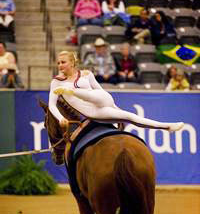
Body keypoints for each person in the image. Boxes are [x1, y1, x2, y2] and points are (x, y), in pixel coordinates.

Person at [48, 51, 184, 148]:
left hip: (103, 100)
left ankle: (73, 91)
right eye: (58, 63)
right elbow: (52, 105)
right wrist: (60, 118)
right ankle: (167, 127)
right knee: (130, 116)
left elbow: (101, 92)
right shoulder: (57, 82)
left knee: (105, 99)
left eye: (63, 62)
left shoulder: (86, 74)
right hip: (95, 112)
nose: (60, 65)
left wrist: (116, 109)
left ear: (72, 63)